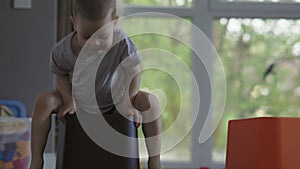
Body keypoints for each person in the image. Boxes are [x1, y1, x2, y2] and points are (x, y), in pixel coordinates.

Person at [29, 0, 162, 169]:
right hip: (77, 103)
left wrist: (127, 101)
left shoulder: (121, 42)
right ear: (74, 24)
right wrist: (69, 99)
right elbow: (60, 75)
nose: (95, 42)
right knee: (43, 100)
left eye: (102, 36)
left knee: (151, 102)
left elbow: (134, 71)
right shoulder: (63, 50)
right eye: (86, 36)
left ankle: (155, 161)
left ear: (114, 23)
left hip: (116, 102)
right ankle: (36, 161)